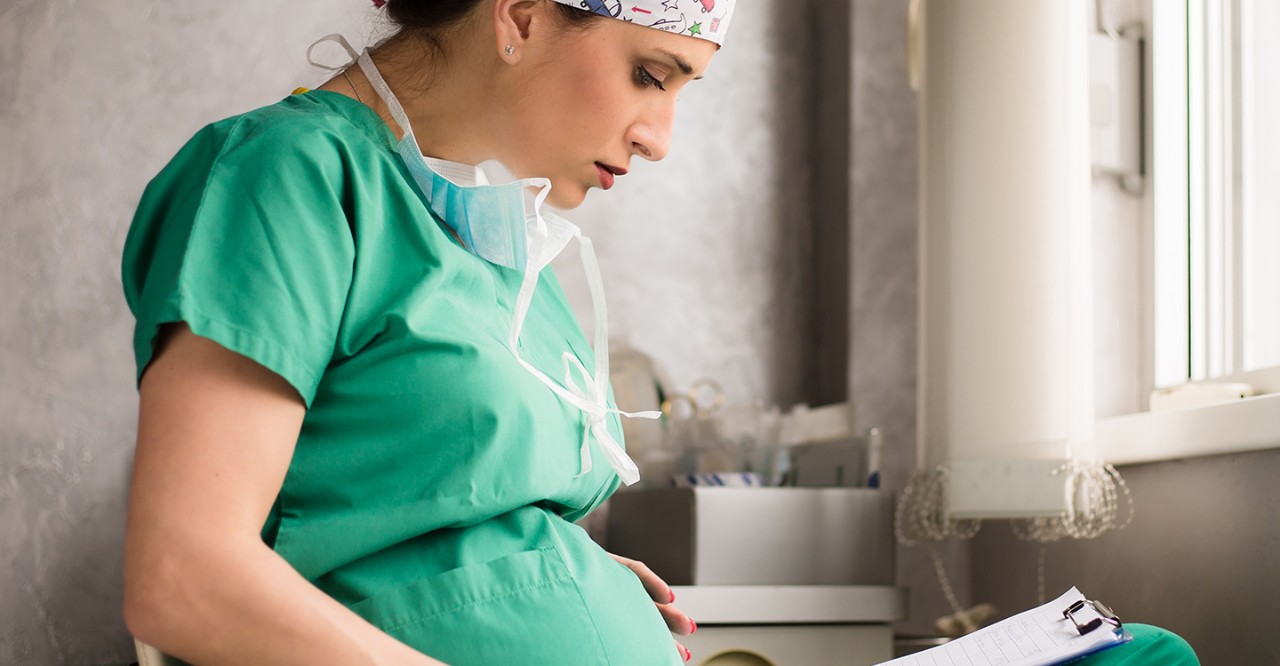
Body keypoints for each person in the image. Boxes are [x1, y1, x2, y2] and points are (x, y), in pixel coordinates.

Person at [120, 1, 731, 664]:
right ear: (521, 17)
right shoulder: (284, 177)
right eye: (649, 75)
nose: (660, 140)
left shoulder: (488, 232)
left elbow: (403, 505)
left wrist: (551, 571)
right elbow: (184, 579)